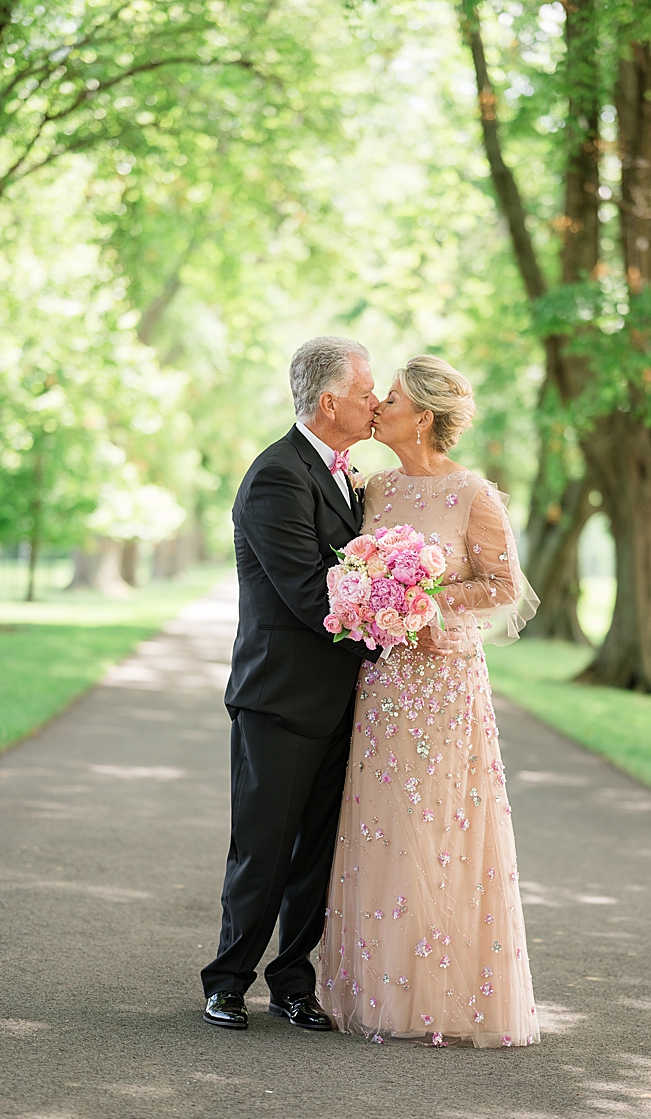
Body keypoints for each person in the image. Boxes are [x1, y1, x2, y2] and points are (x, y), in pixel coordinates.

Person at [315, 354, 541, 1047]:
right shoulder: (374, 488)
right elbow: (356, 571)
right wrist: (373, 600)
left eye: (392, 398)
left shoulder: (474, 493)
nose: (377, 403)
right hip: (383, 686)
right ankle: (379, 990)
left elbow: (504, 586)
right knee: (383, 832)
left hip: (445, 685)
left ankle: (442, 996)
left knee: (440, 830)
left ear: (424, 416)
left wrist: (427, 597)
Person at [203, 336, 384, 1030]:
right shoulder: (278, 474)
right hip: (279, 698)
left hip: (341, 699)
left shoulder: (346, 475)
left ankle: (291, 981)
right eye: (366, 390)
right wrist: (394, 622)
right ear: (330, 399)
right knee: (264, 846)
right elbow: (311, 593)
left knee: (316, 853)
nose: (375, 400)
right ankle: (226, 979)